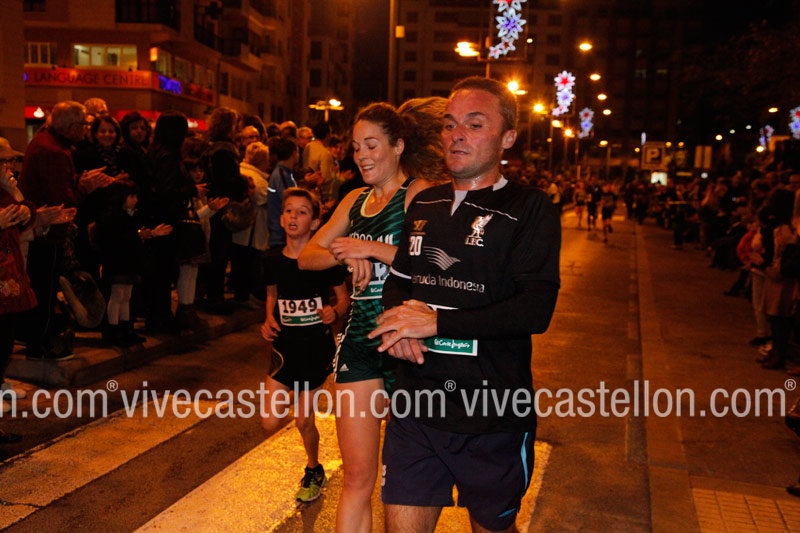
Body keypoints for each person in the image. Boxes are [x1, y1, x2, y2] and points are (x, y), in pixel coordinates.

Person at [368, 77, 561, 533]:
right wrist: (397, 328)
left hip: (492, 415)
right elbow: (399, 282)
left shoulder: (530, 208)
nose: (457, 135)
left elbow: (535, 309)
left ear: (507, 138)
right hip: (416, 406)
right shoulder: (425, 203)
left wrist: (436, 323)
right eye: (450, 124)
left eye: (475, 125)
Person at [297, 100, 442, 532]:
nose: (361, 155)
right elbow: (307, 255)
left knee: (404, 479)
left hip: (407, 344)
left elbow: (435, 261)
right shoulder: (355, 200)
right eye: (357, 147)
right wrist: (344, 252)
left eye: (372, 145)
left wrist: (370, 248)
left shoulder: (418, 193)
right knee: (357, 477)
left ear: (398, 146)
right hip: (360, 342)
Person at [259, 187, 349, 503]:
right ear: (281, 218)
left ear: (315, 223)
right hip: (284, 349)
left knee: (302, 419)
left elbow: (343, 299)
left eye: (302, 211)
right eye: (289, 210)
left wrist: (334, 311)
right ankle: (313, 465)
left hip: (315, 349)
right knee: (269, 421)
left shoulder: (324, 261)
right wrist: (267, 319)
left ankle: (313, 468)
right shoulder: (272, 259)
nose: (294, 216)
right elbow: (272, 294)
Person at [18, 100, 113, 360]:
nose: (86, 130)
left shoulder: (48, 142)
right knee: (45, 289)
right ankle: (40, 344)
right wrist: (85, 187)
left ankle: (40, 339)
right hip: (47, 233)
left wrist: (80, 180)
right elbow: (63, 201)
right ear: (71, 127)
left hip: (43, 231)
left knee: (43, 288)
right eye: (84, 125)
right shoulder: (54, 151)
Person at [95, 180, 172, 345]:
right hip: (117, 261)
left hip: (129, 261)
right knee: (117, 295)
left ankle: (125, 328)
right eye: (131, 196)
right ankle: (113, 329)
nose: (135, 200)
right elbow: (115, 239)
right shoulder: (112, 216)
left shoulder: (132, 216)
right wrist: (141, 235)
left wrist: (145, 235)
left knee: (126, 296)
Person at [0, 143, 36, 435]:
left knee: (5, 338)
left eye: (11, 160)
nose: (8, 166)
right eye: (3, 161)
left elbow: (23, 218)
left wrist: (22, 205)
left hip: (9, 278)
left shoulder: (6, 188)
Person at [230, 141, 270, 306]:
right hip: (250, 229)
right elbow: (265, 200)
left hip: (237, 227)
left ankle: (241, 294)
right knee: (247, 263)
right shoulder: (259, 180)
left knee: (239, 262)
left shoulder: (239, 170)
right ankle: (244, 297)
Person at [267, 138, 299, 248]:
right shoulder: (281, 175)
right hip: (280, 234)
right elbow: (290, 201)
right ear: (294, 153)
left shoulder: (285, 173)